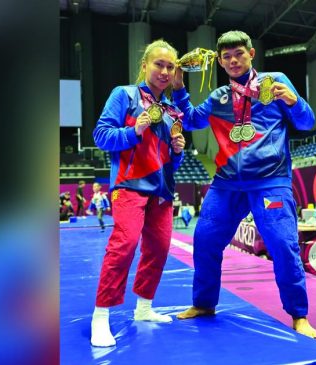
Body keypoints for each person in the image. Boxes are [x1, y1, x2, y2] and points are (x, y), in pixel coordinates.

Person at [171, 30, 316, 338]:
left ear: (251, 54)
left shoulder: (274, 82)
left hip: (270, 182)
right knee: (205, 239)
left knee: (282, 245)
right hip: (226, 184)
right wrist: (178, 88)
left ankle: (298, 315)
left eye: (238, 54)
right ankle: (204, 303)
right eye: (226, 57)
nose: (233, 60)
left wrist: (295, 101)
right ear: (221, 63)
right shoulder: (219, 97)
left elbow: (306, 123)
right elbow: (191, 121)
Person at [90, 39, 186, 347]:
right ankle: (101, 316)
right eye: (159, 64)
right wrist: (134, 132)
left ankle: (144, 307)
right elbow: (101, 135)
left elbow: (171, 159)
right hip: (129, 185)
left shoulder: (173, 110)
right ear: (144, 65)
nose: (165, 71)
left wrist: (178, 150)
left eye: (170, 66)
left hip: (162, 191)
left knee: (158, 248)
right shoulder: (124, 95)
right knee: (125, 243)